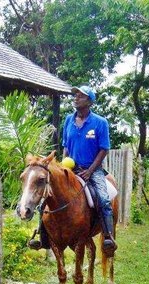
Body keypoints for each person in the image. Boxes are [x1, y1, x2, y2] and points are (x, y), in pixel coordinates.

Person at [28, 85, 116, 251]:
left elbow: (104, 149)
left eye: (81, 96)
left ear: (89, 101)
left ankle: (107, 237)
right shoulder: (68, 119)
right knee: (47, 197)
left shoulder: (100, 123)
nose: (76, 97)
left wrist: (90, 171)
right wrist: (62, 166)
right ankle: (42, 236)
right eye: (75, 95)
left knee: (104, 199)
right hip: (70, 168)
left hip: (92, 170)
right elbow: (65, 146)